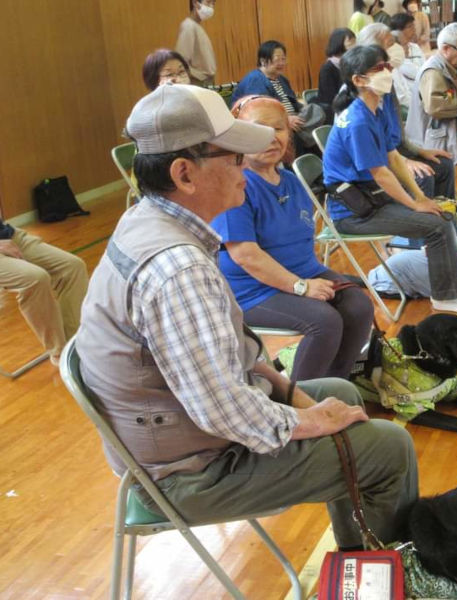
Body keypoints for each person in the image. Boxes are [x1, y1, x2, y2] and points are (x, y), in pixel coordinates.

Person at [76, 84, 417, 550]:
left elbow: (231, 358)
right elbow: (219, 408)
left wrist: (298, 399)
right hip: (187, 474)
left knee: (336, 392)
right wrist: (311, 422)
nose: (247, 168)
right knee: (387, 449)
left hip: (173, 441)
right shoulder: (179, 269)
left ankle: (362, 561)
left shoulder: (146, 220)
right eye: (235, 157)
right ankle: (389, 574)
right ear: (184, 173)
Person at [212, 96, 373, 380]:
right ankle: (302, 403)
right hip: (251, 291)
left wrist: (306, 281)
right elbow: (245, 255)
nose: (272, 137)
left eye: (280, 128)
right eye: (260, 128)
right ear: (238, 134)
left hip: (304, 273)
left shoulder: (291, 181)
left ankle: (337, 384)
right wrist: (300, 287)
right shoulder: (236, 185)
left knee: (358, 306)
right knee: (324, 321)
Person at [322, 45, 457, 313]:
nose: (387, 71)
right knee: (437, 225)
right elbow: (380, 173)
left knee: (441, 215)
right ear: (359, 80)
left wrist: (421, 198)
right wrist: (415, 204)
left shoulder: (377, 107)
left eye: (387, 65)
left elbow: (393, 157)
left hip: (372, 199)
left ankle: (449, 285)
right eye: (378, 68)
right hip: (353, 212)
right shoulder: (357, 120)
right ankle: (445, 296)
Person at [357, 24, 456, 201]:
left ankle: (447, 216)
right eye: (390, 43)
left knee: (444, 165)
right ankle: (426, 223)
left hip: (395, 152)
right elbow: (372, 150)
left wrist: (420, 151)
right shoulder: (358, 91)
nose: (398, 49)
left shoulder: (386, 83)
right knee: (422, 175)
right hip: (376, 163)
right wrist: (404, 162)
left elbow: (397, 137)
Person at [0, 218, 88, 365]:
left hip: (7, 235)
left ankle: (76, 344)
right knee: (35, 279)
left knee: (73, 267)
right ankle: (59, 353)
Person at [406, 23, 457, 160]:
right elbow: (435, 106)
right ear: (445, 48)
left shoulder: (454, 68)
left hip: (452, 138)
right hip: (434, 146)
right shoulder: (433, 72)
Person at [231, 41, 318, 154]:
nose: (282, 63)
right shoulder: (256, 79)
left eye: (283, 59)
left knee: (320, 110)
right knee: (299, 134)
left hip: (291, 118)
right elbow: (262, 113)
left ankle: (305, 134)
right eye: (277, 59)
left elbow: (293, 103)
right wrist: (285, 120)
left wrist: (304, 109)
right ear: (263, 61)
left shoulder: (281, 79)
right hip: (269, 124)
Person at [317, 28, 357, 119]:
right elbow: (329, 99)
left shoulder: (351, 64)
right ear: (338, 43)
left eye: (355, 42)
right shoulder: (328, 68)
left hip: (349, 106)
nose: (354, 46)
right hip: (335, 112)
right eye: (350, 42)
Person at [175, 0, 216, 86]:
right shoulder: (188, 26)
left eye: (213, 4)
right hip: (199, 83)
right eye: (208, 2)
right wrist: (200, 77)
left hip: (206, 82)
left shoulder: (196, 26)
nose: (211, 7)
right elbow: (180, 62)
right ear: (195, 3)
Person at [390, 12, 425, 110]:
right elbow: (419, 73)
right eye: (410, 26)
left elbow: (425, 70)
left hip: (423, 93)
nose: (414, 29)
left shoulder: (415, 47)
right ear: (398, 29)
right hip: (414, 102)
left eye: (413, 25)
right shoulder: (395, 61)